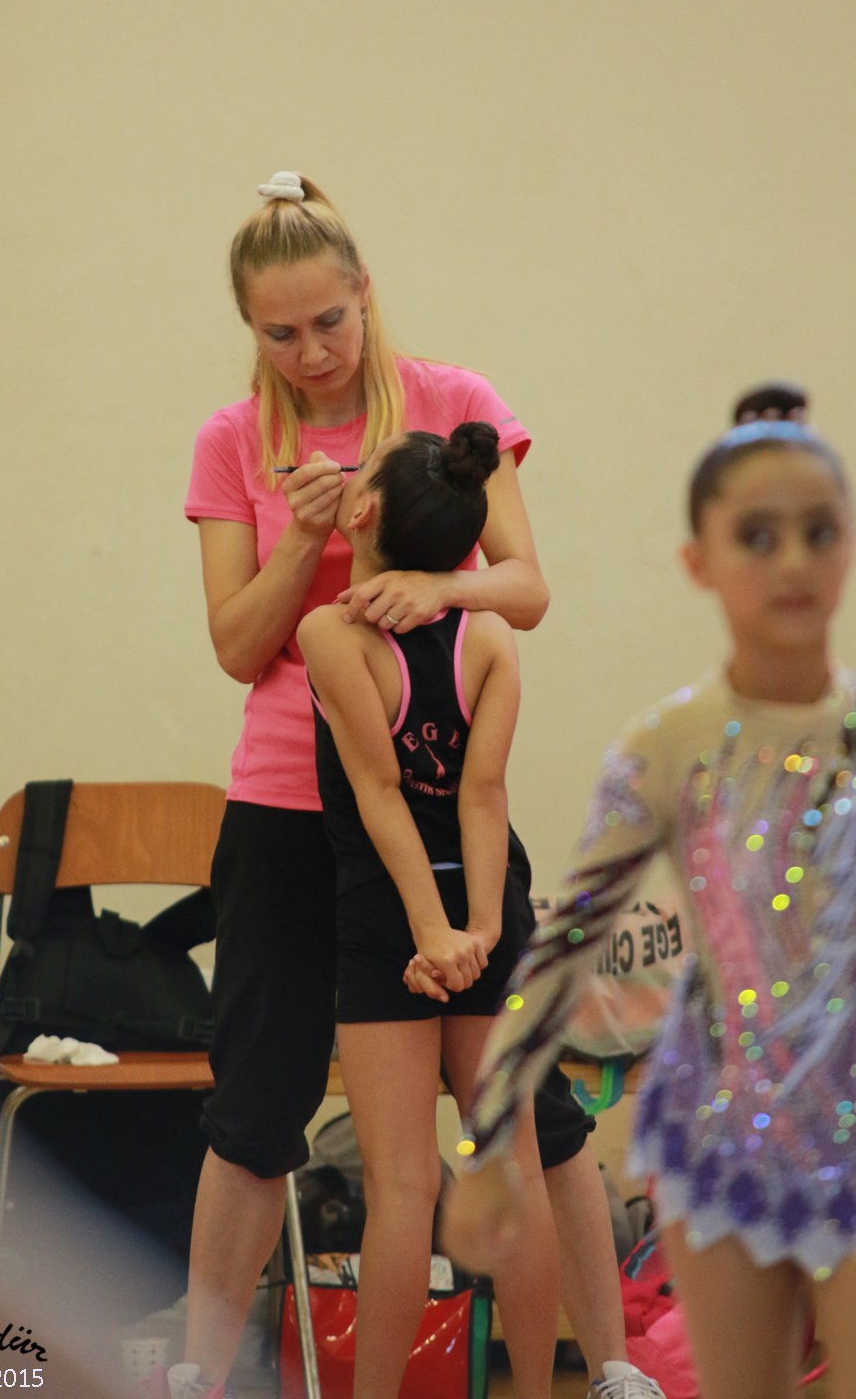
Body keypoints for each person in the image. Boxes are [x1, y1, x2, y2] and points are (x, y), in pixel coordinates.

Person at [160, 173, 662, 1399]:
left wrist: (440, 586)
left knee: (530, 1111)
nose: (310, 353)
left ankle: (606, 1366)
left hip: (439, 800)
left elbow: (523, 586)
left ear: (365, 293)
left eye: (328, 321)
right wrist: (302, 540)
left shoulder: (451, 401)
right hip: (290, 806)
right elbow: (235, 645)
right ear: (249, 329)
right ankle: (194, 1373)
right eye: (278, 333)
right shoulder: (233, 439)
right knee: (257, 1103)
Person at [443, 390, 856, 1398]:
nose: (791, 563)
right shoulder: (668, 745)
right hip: (721, 1129)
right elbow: (561, 948)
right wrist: (487, 1140)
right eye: (755, 536)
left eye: (817, 532)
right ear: (697, 561)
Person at [298, 419, 562, 1399]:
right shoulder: (490, 635)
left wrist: (432, 936)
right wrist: (481, 931)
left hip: (388, 913)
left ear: (361, 512)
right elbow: (481, 796)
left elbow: (379, 794)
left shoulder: (330, 634)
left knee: (402, 1185)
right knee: (509, 1170)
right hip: (479, 906)